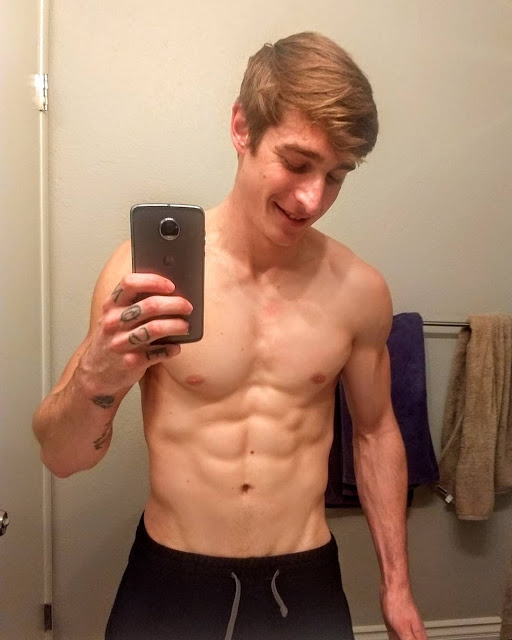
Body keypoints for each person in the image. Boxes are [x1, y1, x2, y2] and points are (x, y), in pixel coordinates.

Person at [33, 32, 427, 640]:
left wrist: (396, 585)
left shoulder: (360, 290)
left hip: (305, 583)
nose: (312, 198)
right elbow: (60, 458)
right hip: (171, 580)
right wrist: (96, 377)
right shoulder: (141, 276)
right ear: (242, 127)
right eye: (297, 163)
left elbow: (376, 434)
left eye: (336, 176)